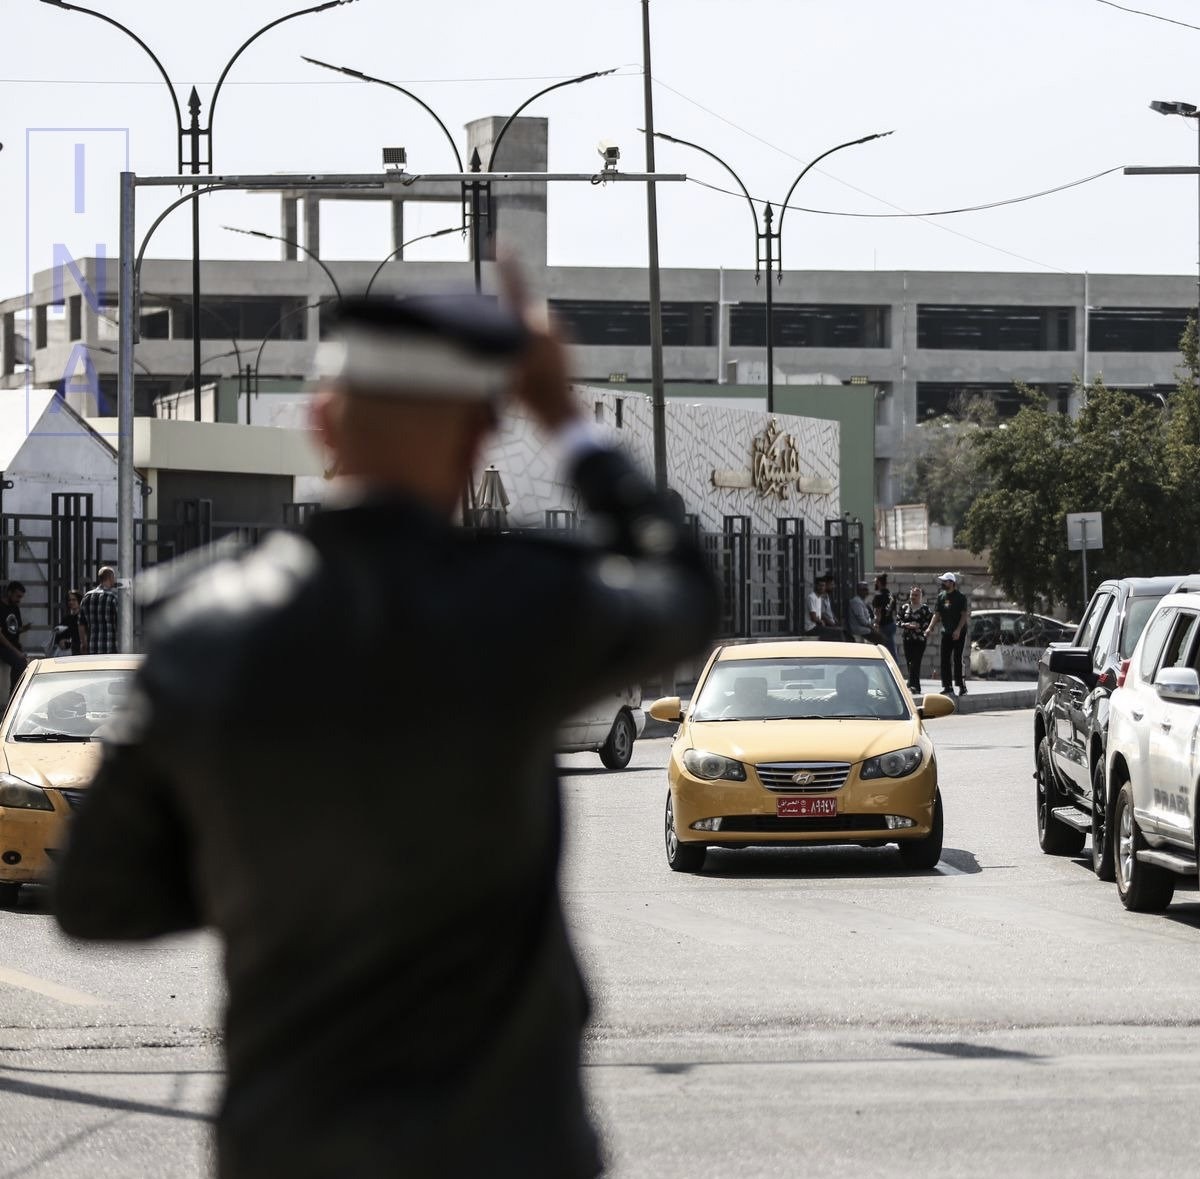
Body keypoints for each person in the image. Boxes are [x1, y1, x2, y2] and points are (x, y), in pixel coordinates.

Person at [53, 266, 719, 1179]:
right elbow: (687, 592)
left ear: (322, 426)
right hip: (507, 1148)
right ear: (481, 437)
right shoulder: (523, 606)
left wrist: (271, 871)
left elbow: (99, 900)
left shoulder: (202, 632)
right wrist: (565, 422)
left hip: (290, 1146)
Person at [928, 571, 970, 697]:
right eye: (943, 581)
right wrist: (930, 628)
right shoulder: (941, 597)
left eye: (945, 581)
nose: (943, 583)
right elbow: (937, 614)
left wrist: (958, 630)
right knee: (944, 660)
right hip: (946, 632)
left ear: (952, 583)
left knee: (957, 659)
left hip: (959, 632)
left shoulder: (960, 597)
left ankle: (961, 686)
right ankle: (947, 686)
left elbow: (964, 615)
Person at [898, 586, 933, 693]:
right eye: (912, 595)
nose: (913, 597)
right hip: (907, 639)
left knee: (915, 662)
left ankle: (915, 686)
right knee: (909, 662)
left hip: (920, 639)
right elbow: (898, 621)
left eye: (916, 595)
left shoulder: (925, 609)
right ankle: (911, 683)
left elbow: (930, 622)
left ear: (921, 597)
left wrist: (919, 626)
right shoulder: (904, 607)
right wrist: (906, 624)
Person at [79, 566, 120, 655]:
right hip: (110, 648)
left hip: (92, 648)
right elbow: (120, 624)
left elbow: (81, 625)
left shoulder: (87, 597)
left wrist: (84, 644)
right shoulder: (113, 597)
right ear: (110, 578)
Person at [0, 581, 26, 696]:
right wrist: (16, 651)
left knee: (24, 662)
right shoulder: (1, 607)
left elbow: (15, 628)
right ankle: (14, 695)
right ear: (9, 593)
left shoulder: (15, 607)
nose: (19, 599)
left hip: (14, 644)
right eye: (17, 596)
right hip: (3, 645)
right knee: (19, 662)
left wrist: (24, 628)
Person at [846, 580, 885, 645]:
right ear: (859, 591)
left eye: (866, 590)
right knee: (881, 638)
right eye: (863, 590)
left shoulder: (862, 601)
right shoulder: (856, 602)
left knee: (881, 636)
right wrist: (872, 628)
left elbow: (867, 618)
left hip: (864, 628)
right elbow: (862, 620)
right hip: (858, 628)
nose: (866, 592)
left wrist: (874, 622)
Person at [871, 574, 898, 662]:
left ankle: (893, 665)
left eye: (875, 582)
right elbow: (894, 612)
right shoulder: (891, 595)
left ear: (879, 583)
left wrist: (876, 625)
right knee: (891, 647)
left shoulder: (878, 596)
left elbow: (878, 612)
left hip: (883, 626)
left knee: (882, 649)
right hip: (891, 624)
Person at [54, 589, 84, 657]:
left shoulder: (83, 617)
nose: (71, 602)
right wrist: (60, 641)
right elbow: (58, 635)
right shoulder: (67, 618)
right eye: (69, 600)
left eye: (74, 600)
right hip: (67, 653)